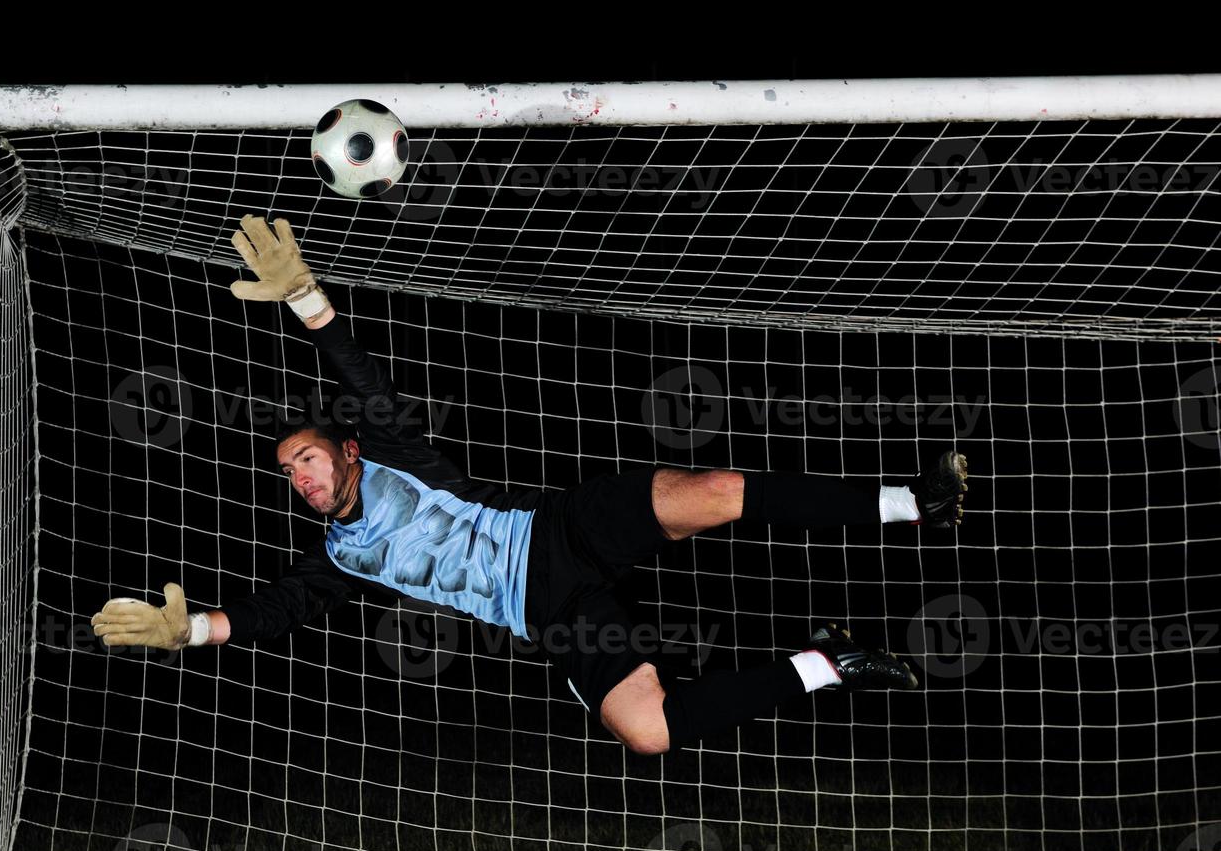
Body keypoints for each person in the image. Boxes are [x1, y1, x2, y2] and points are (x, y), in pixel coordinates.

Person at [92, 215, 969, 756]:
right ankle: (827, 662)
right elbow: (270, 611)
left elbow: (360, 377)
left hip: (559, 531)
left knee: (716, 490)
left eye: (309, 459)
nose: (301, 479)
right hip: (547, 611)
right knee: (651, 732)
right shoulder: (339, 560)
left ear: (348, 453)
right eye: (289, 475)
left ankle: (910, 503)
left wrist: (305, 297)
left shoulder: (397, 455)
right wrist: (188, 629)